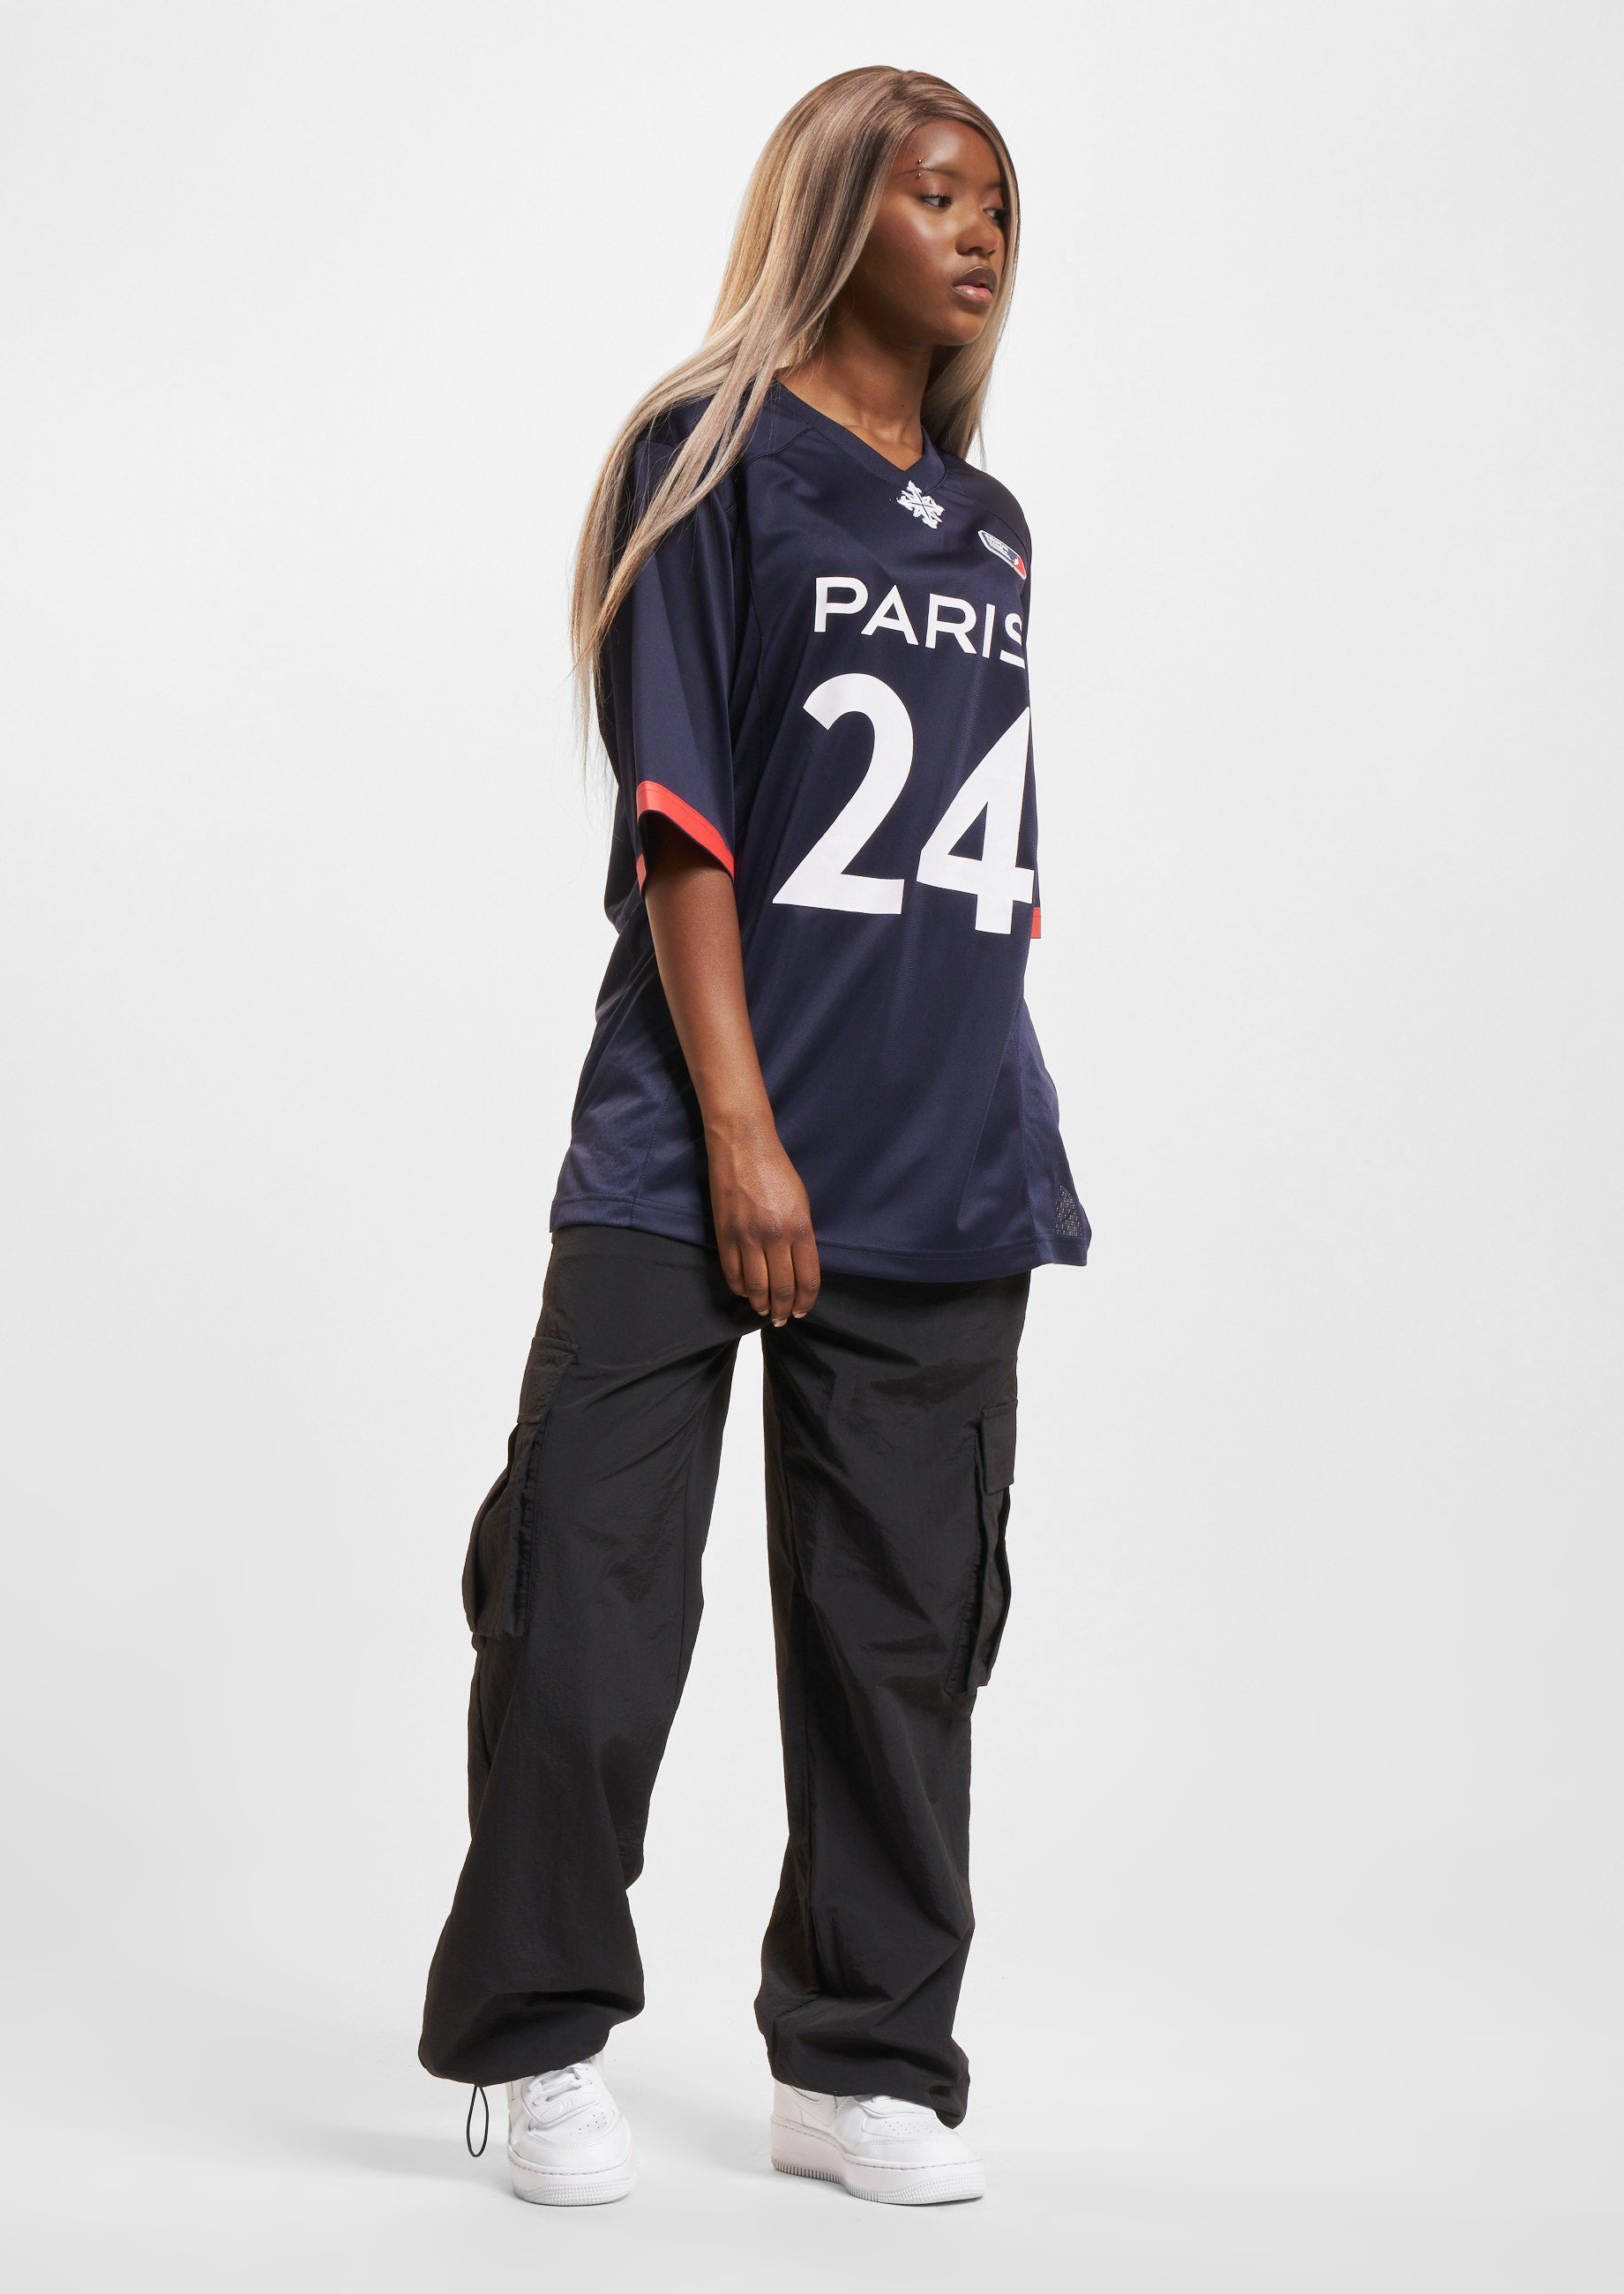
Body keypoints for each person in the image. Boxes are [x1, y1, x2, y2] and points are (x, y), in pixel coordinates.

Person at [417, 64, 1090, 2208]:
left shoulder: (990, 524)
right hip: (695, 1138)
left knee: (904, 1633)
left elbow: (978, 859)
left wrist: (981, 1103)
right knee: (585, 1592)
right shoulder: (701, 455)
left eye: (995, 204)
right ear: (831, 210)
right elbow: (682, 821)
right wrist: (738, 1129)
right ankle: (537, 2037)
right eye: (932, 194)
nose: (975, 233)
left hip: (944, 1149)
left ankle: (860, 2059)